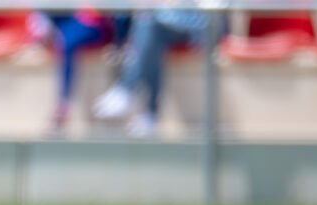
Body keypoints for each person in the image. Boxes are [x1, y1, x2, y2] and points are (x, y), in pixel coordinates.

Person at [93, 9, 216, 137]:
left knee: (147, 23)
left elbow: (198, 17)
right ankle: (146, 110)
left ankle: (127, 90)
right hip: (164, 23)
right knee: (148, 33)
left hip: (198, 27)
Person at [27, 9, 129, 132]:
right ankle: (62, 107)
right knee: (57, 25)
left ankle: (63, 106)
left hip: (97, 25)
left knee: (68, 41)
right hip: (70, 21)